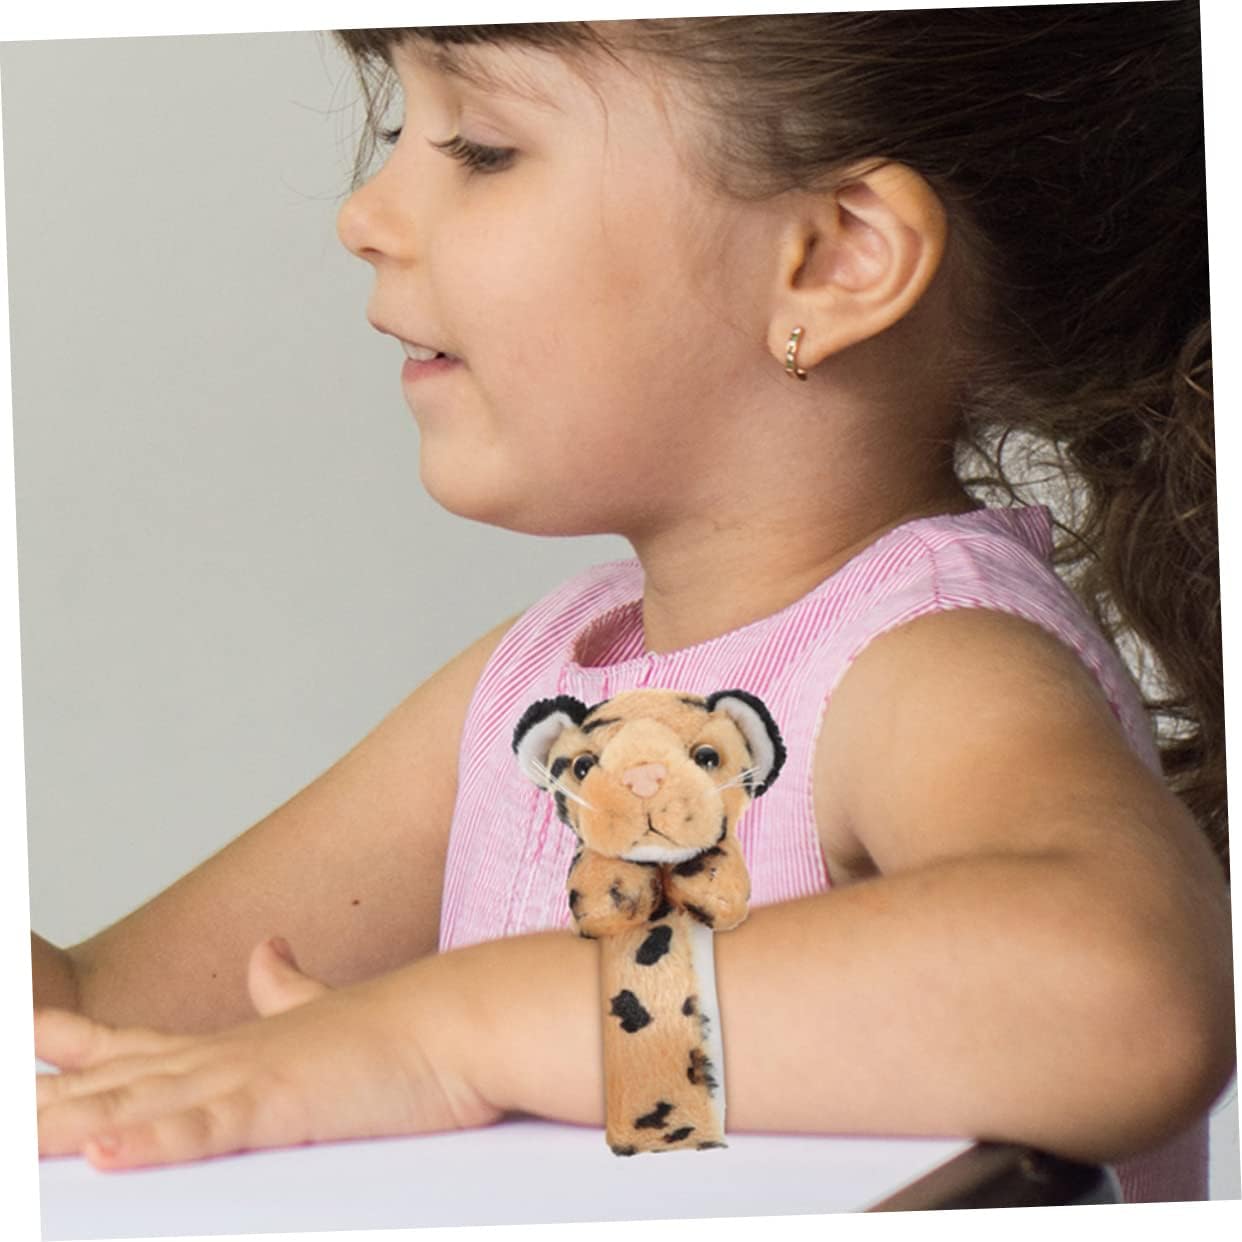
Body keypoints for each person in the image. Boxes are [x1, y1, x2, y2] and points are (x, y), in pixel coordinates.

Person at [31, 4, 1233, 1204]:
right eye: (403, 129)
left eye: (482, 149)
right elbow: (90, 1014)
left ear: (832, 259)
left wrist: (445, 1034)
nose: (363, 217)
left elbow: (1122, 994)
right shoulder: (536, 681)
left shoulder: (928, 659)